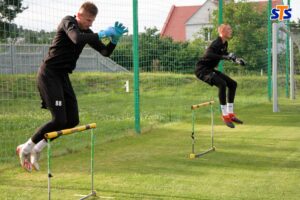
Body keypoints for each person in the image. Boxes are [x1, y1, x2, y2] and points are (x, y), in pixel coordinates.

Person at [16, 1, 128, 172]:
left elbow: (105, 52)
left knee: (73, 120)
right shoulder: (68, 21)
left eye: (93, 21)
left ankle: (38, 149)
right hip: (49, 74)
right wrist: (102, 33)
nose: (90, 24)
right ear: (80, 15)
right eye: (88, 20)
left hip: (63, 76)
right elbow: (75, 38)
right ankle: (25, 148)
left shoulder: (87, 31)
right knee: (59, 120)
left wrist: (114, 40)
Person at [195, 24, 245, 129]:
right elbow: (207, 55)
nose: (231, 30)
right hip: (202, 70)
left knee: (233, 84)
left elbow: (226, 54)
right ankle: (224, 115)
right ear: (222, 32)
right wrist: (225, 57)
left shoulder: (225, 43)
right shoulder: (216, 43)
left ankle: (231, 114)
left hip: (210, 69)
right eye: (229, 29)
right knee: (222, 84)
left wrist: (237, 60)